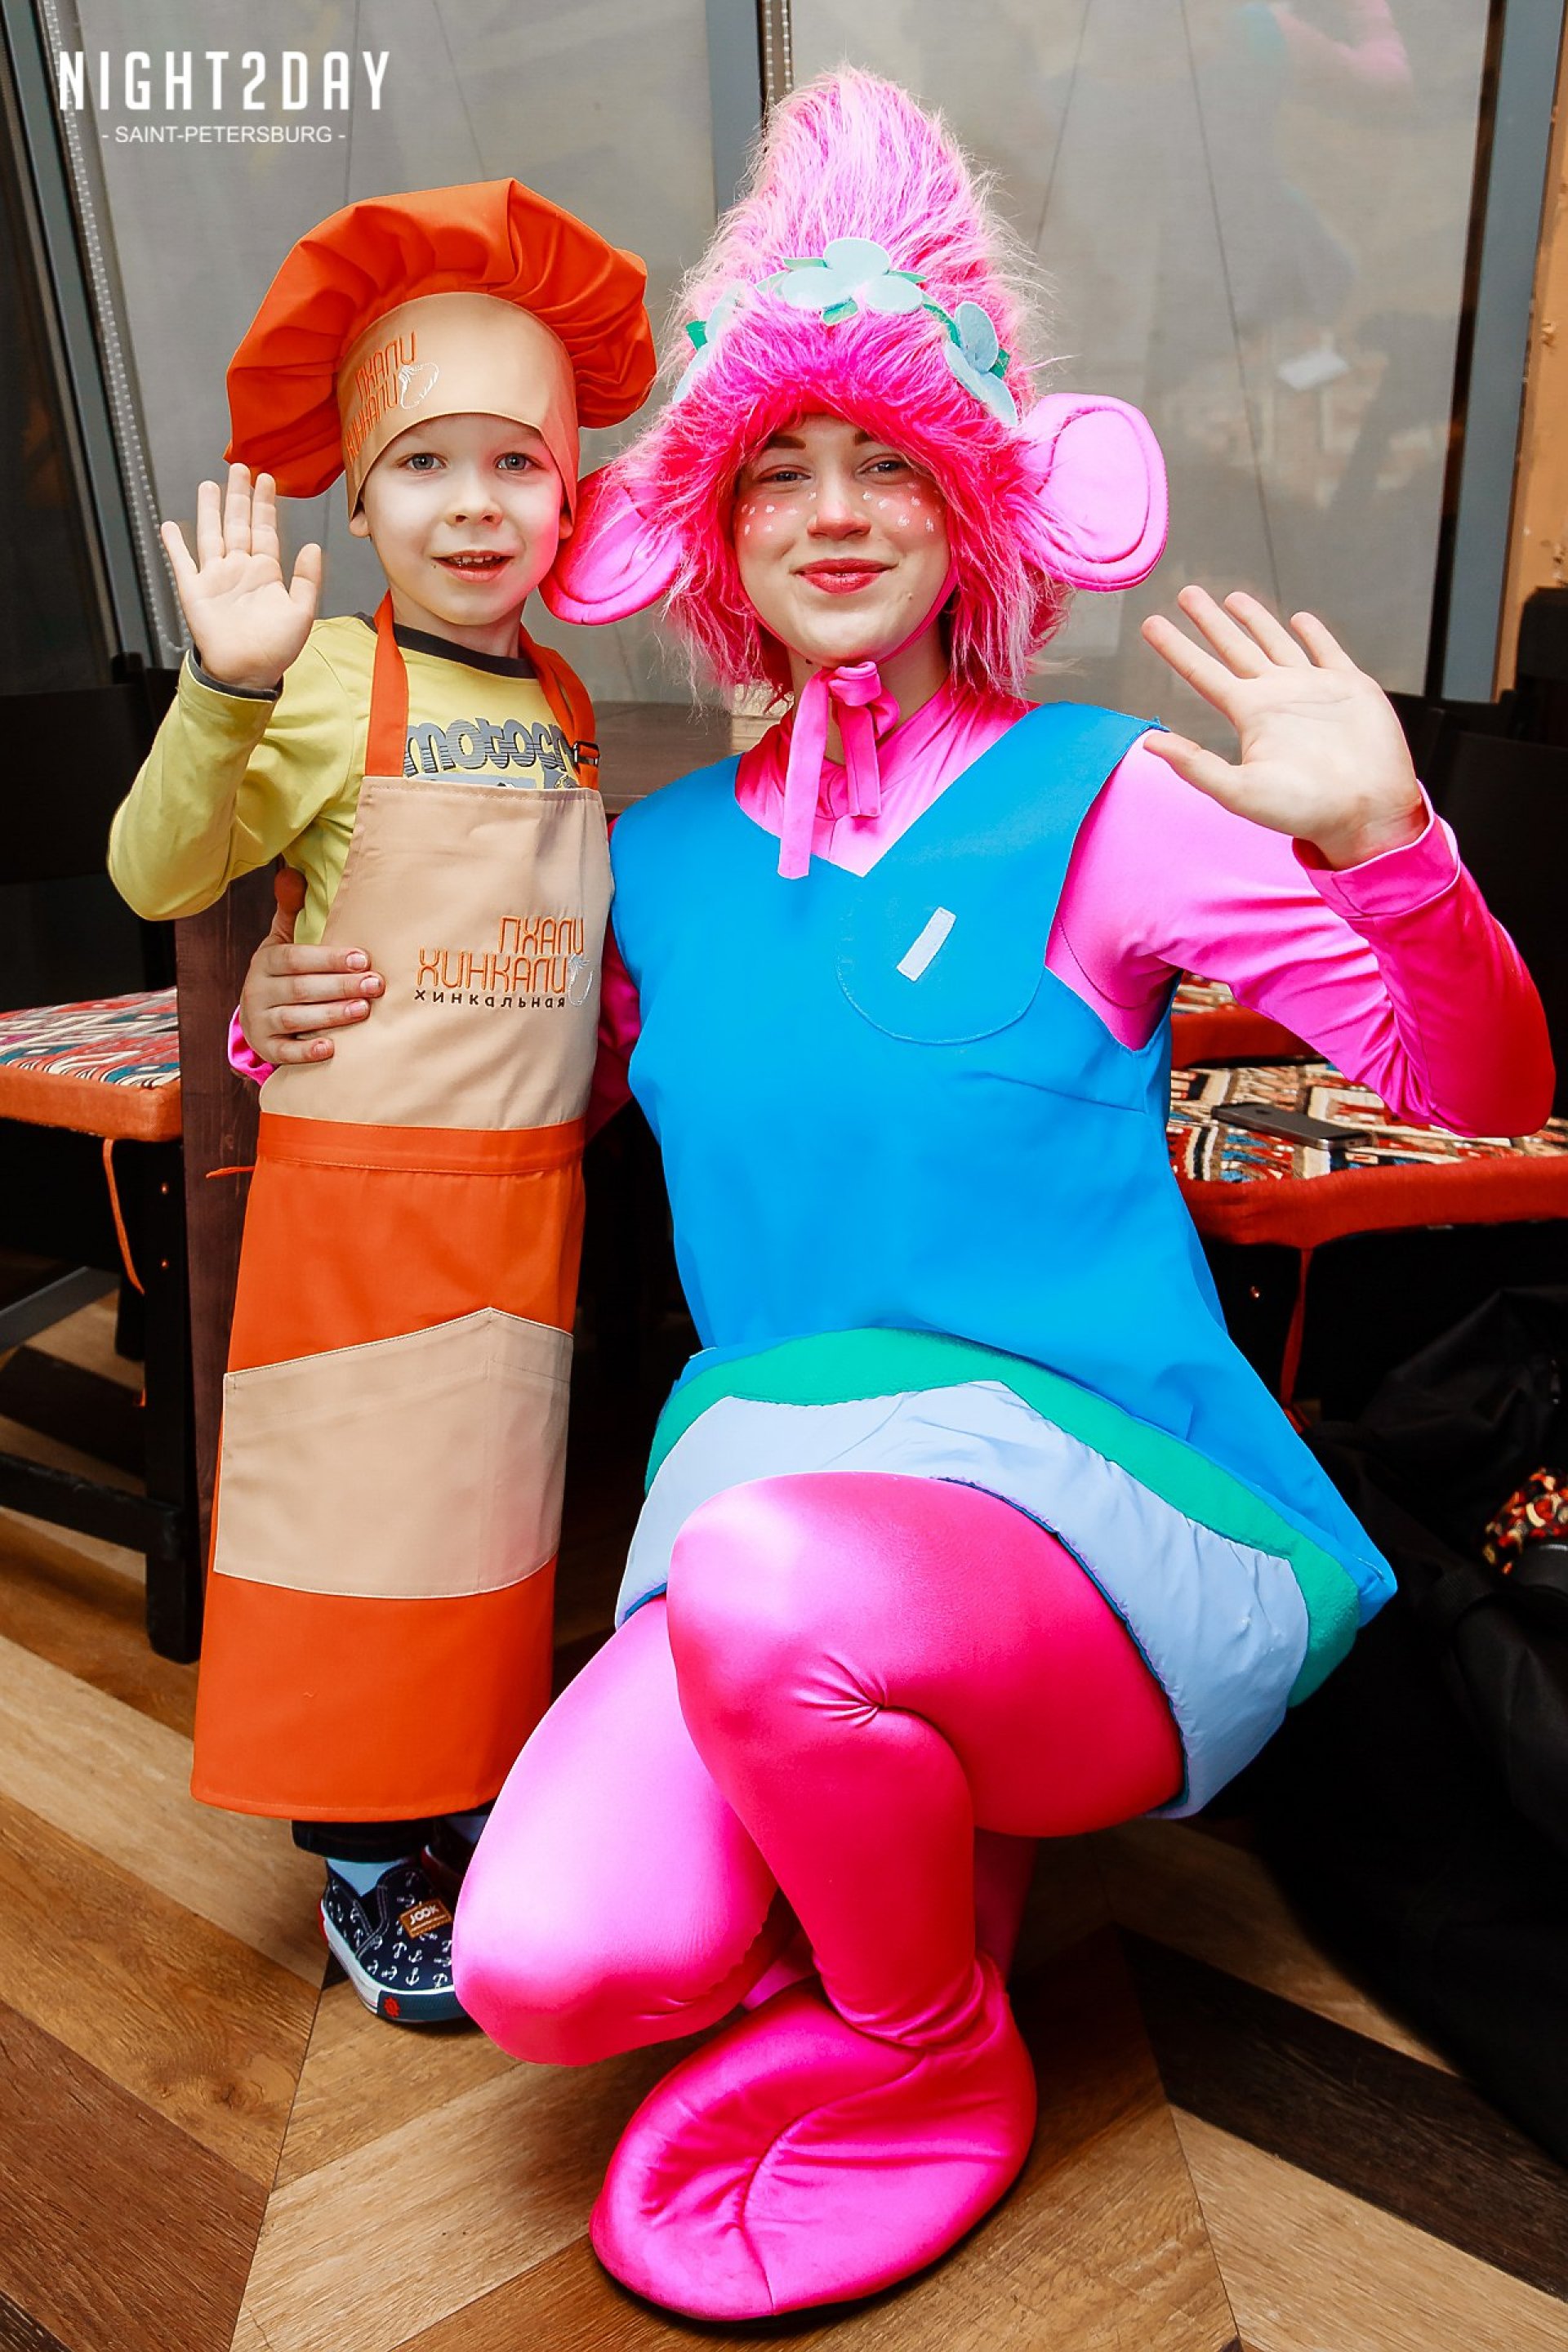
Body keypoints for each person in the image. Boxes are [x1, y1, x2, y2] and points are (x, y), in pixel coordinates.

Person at [238, 73, 1551, 2311]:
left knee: (779, 1598)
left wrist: (1387, 849)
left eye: (891, 465)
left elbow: (1486, 1088)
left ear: (977, 510)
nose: (836, 514)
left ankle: (927, 2040)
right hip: (777, 1522)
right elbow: (498, 1065)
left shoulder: (1105, 793)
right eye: (781, 469)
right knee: (551, 1963)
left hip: (1104, 1519)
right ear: (711, 531)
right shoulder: (655, 862)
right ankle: (899, 1828)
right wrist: (313, 1004)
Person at [108, 180, 655, 2024]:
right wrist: (223, 688)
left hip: (528, 1198)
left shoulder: (565, 697)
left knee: (480, 1537)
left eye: (517, 463)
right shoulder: (329, 678)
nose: (474, 503)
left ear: (569, 497)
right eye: (425, 464)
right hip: (363, 1207)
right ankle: (360, 1861)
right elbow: (157, 868)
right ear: (358, 499)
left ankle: (453, 1796)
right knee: (356, 1535)